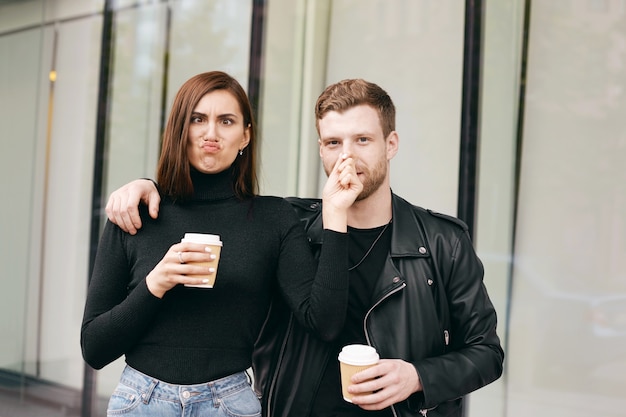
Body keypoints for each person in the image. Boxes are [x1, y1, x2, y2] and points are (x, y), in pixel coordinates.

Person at [105, 78, 504, 417]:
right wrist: (147, 187)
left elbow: (487, 352)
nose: (347, 156)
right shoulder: (287, 224)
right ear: (321, 149)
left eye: (363, 140)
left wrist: (417, 376)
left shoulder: (442, 242)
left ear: (391, 143)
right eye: (333, 142)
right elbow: (218, 211)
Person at [81, 71, 363, 417]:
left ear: (245, 135)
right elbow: (94, 348)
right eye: (197, 119)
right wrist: (155, 284)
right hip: (141, 402)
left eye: (226, 121)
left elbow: (324, 321)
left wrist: (335, 215)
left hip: (227, 403)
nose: (210, 133)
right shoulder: (137, 213)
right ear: (179, 130)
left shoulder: (273, 218)